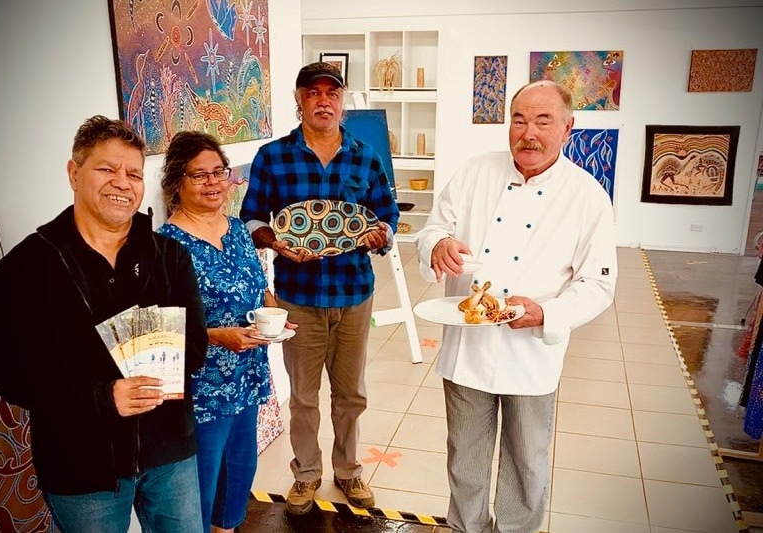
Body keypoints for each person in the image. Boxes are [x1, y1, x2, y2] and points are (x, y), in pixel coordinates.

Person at [0, 115, 208, 533]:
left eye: (134, 174)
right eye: (107, 168)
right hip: (81, 466)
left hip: (170, 453)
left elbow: (194, 349)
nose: (122, 183)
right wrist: (102, 397)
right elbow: (10, 375)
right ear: (74, 172)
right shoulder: (27, 267)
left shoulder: (169, 257)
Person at [415, 80, 617, 533]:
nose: (528, 132)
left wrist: (547, 313)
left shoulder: (587, 197)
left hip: (531, 354)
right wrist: (437, 245)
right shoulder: (474, 172)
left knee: (526, 465)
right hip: (466, 349)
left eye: (543, 121)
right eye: (519, 119)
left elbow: (599, 286)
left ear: (568, 128)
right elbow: (431, 229)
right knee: (464, 459)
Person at [239, 61, 399, 514]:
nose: (323, 100)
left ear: (342, 99)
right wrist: (276, 243)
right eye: (313, 92)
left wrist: (380, 236)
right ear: (299, 99)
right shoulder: (273, 157)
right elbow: (251, 218)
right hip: (298, 296)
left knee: (351, 395)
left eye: (332, 92)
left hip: (354, 293)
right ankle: (307, 475)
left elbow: (387, 216)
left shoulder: (366, 156)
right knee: (304, 396)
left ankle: (348, 472)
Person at [158, 130, 293, 533]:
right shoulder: (166, 245)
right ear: (176, 182)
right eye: (199, 175)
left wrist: (273, 310)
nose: (213, 182)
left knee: (240, 469)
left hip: (247, 373)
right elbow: (164, 323)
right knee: (200, 481)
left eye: (219, 172)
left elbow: (258, 282)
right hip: (202, 387)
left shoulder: (236, 230)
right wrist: (218, 335)